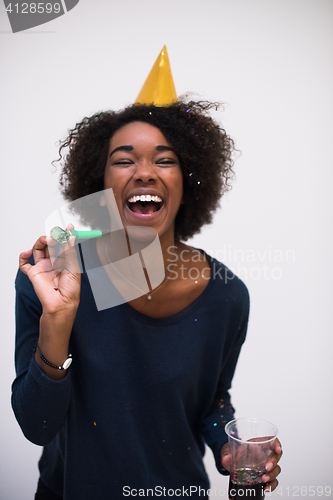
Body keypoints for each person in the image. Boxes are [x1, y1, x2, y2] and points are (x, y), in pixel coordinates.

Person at [12, 48, 282, 500]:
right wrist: (57, 319)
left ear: (189, 178)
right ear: (99, 183)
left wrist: (228, 449)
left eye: (165, 159)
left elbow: (212, 403)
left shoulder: (227, 295)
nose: (144, 172)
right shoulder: (51, 276)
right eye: (123, 160)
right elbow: (37, 426)